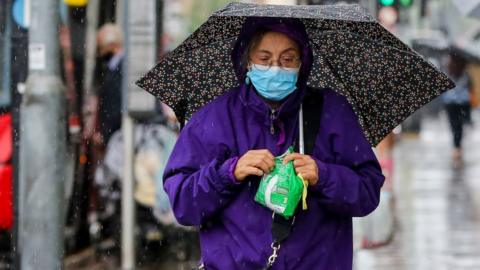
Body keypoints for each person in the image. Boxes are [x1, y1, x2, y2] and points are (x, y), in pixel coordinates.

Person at [163, 18, 384, 269]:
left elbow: (367, 192)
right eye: (264, 59)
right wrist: (229, 172)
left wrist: (324, 176)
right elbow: (183, 203)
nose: (276, 68)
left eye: (288, 59)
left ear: (302, 63)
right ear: (247, 61)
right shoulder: (215, 117)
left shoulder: (331, 111)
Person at [94, 23, 124, 146]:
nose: (100, 54)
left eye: (101, 48)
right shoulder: (115, 68)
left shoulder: (121, 69)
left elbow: (115, 105)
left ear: (112, 46)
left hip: (117, 137)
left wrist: (106, 134)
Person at [442, 53, 473, 168]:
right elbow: (470, 88)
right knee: (459, 126)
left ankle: (457, 148)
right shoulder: (465, 73)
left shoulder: (448, 71)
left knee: (454, 126)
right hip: (463, 104)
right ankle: (457, 147)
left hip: (451, 104)